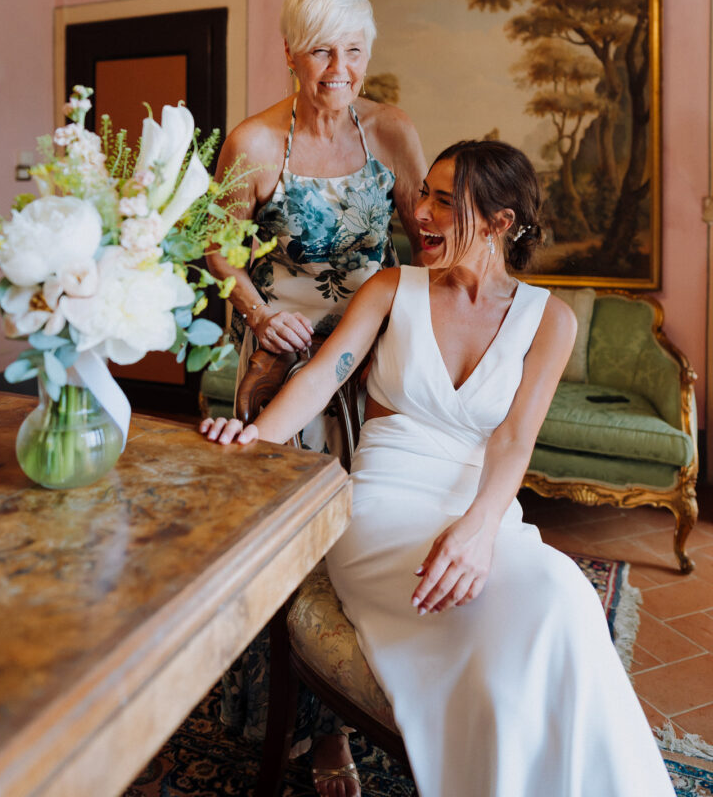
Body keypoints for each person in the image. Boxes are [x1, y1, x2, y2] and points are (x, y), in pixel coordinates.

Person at [201, 139, 675, 797]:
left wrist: (480, 530)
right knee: (535, 612)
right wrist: (252, 437)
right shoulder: (393, 287)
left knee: (561, 602)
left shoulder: (551, 321)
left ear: (500, 222)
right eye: (423, 193)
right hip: (382, 510)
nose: (418, 212)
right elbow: (319, 381)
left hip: (482, 510)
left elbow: (513, 442)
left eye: (444, 202)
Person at [205, 0, 426, 796]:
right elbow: (215, 247)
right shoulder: (257, 144)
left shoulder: (392, 130)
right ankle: (300, 719)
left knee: (372, 523)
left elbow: (423, 230)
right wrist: (261, 318)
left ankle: (360, 695)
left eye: (356, 49)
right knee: (300, 543)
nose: (342, 66)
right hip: (287, 361)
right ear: (291, 52)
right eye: (324, 48)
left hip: (374, 357)